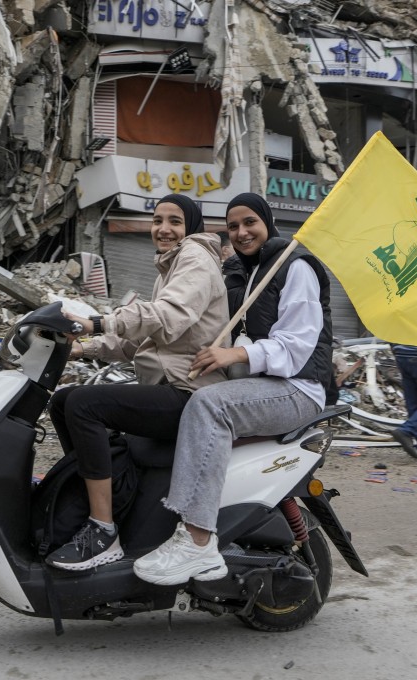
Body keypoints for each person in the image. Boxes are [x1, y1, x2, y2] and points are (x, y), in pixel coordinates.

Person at [133, 193, 334, 586]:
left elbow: (296, 346)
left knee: (209, 406)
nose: (241, 233)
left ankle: (197, 539)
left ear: (268, 222)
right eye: (233, 226)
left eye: (250, 223)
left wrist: (234, 354)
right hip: (263, 384)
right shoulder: (247, 271)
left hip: (299, 388)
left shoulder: (295, 267)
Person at [44, 194, 229, 571]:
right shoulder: (171, 267)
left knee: (84, 405)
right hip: (166, 386)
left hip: (187, 392)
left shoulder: (195, 259)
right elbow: (140, 339)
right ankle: (102, 500)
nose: (163, 229)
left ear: (190, 227)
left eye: (175, 221)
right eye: (157, 220)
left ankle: (102, 531)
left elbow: (166, 317)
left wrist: (98, 321)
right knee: (63, 401)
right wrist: (80, 350)